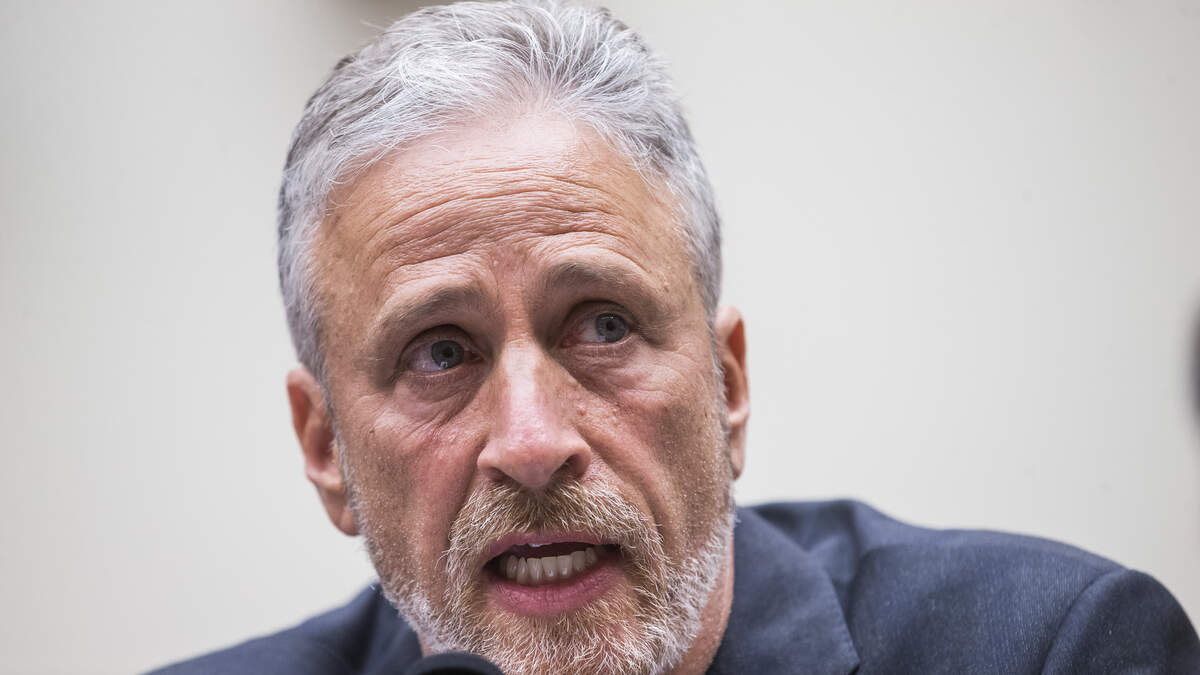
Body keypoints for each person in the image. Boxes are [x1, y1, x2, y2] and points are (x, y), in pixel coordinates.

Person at [152, 1, 1200, 673]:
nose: (532, 443)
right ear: (326, 448)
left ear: (727, 387)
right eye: (439, 352)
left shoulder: (1056, 647)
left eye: (602, 325)